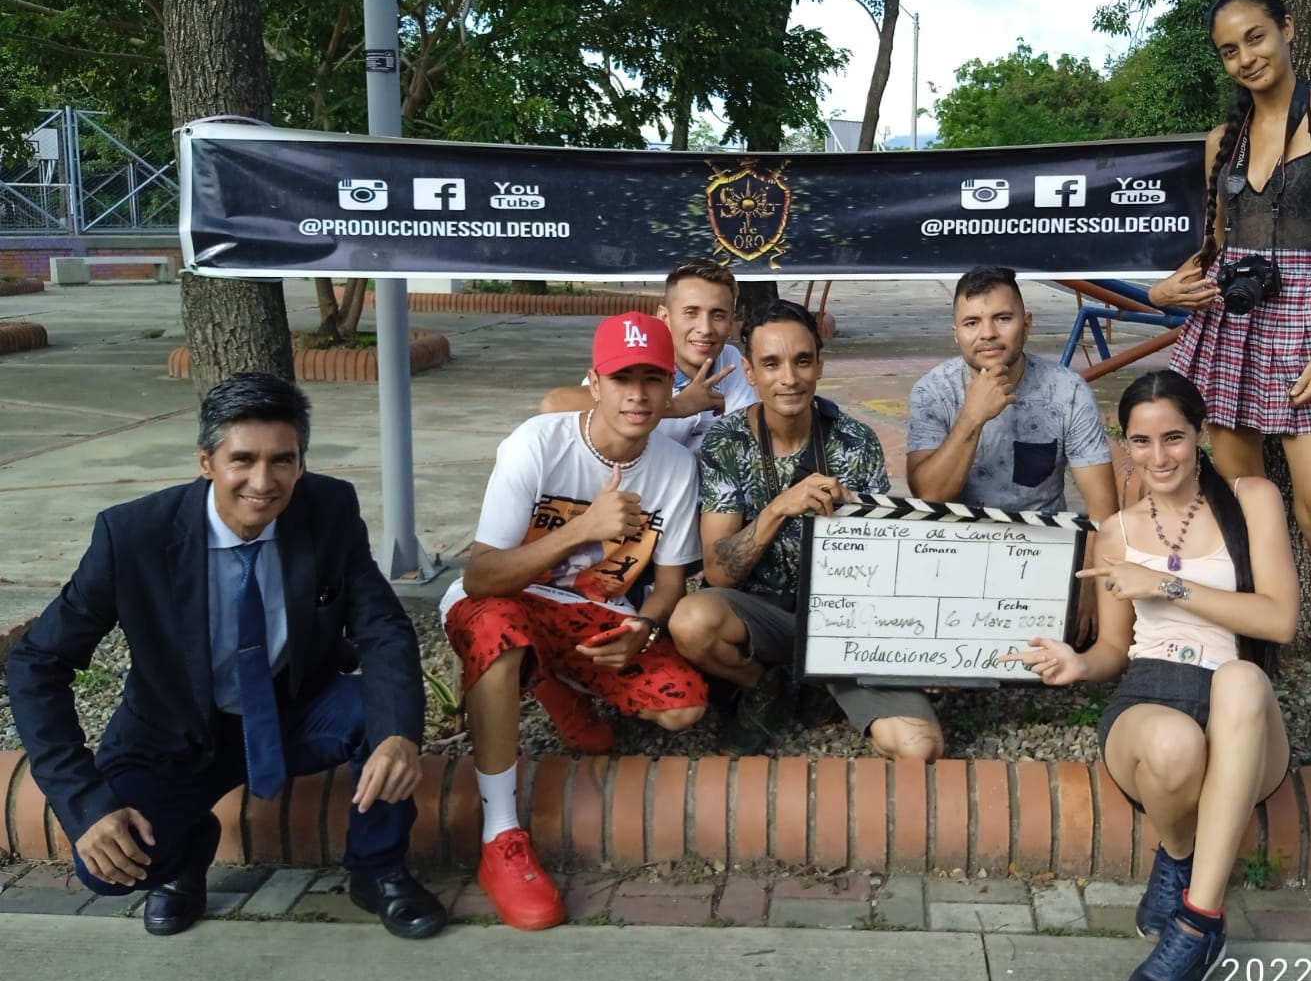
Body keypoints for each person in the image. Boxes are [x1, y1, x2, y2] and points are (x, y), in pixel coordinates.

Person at [7, 373, 447, 939]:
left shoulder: (329, 509)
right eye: (242, 459)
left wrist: (398, 733)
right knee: (108, 871)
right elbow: (38, 663)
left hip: (293, 714)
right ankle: (187, 854)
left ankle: (379, 868)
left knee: (377, 714)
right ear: (206, 461)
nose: (263, 482)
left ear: (301, 462)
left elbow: (383, 626)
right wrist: (83, 803)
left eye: (282, 460)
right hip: (172, 737)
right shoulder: (133, 536)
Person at [1143, 0, 1311, 763]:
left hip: (1310, 321)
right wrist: (1163, 291)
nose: (1246, 57)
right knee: (1243, 512)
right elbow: (1208, 252)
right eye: (1229, 49)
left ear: (1287, 29)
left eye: (1256, 38)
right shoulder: (1223, 141)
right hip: (1229, 329)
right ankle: (1243, 678)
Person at [1001, 370, 1296, 981]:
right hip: (1151, 695)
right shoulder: (1118, 533)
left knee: (1244, 679)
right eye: (1141, 441)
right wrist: (1078, 663)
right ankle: (1181, 853)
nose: (1158, 457)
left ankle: (1197, 922)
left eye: (1174, 438)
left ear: (1200, 434)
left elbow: (1278, 620)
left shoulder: (1252, 500)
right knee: (1172, 743)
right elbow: (1115, 648)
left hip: (1241, 717)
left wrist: (1166, 584)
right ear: (1125, 443)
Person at [443, 311, 708, 930]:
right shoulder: (538, 442)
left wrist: (642, 626)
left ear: (671, 387)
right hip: (502, 601)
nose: (637, 394)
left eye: (652, 378)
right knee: (499, 629)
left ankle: (554, 678)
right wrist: (585, 529)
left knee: (683, 705)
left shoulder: (674, 466)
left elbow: (669, 584)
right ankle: (501, 834)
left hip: (591, 615)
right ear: (594, 381)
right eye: (622, 378)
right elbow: (479, 576)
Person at [669, 299, 942, 760]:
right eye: (771, 364)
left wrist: (917, 650)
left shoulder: (856, 442)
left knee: (921, 747)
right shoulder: (727, 441)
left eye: (801, 361)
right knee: (692, 621)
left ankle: (822, 680)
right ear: (750, 373)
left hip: (843, 620)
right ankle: (764, 685)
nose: (789, 378)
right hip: (760, 612)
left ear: (819, 364)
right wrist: (778, 509)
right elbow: (718, 573)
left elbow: (886, 566)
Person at [906, 265, 1118, 639]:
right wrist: (972, 417)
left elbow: (1102, 502)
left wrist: (1088, 583)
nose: (987, 333)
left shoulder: (1067, 392)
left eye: (1002, 318)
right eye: (972, 323)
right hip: (955, 553)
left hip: (1041, 553)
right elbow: (929, 495)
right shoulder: (932, 391)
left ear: (1026, 323)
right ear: (956, 334)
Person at [541, 258, 758, 453]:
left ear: (731, 322)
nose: (705, 328)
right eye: (691, 313)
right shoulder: (639, 356)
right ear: (664, 317)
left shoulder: (732, 362)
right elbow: (555, 405)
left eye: (718, 315)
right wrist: (675, 407)